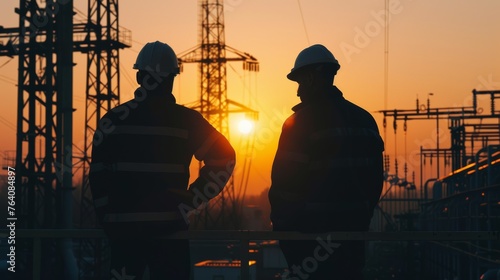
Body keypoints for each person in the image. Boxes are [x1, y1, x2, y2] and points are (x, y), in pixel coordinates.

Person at [89, 41, 236, 280]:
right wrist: (192, 198)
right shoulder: (186, 121)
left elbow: (98, 177)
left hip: (125, 237)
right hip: (171, 234)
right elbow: (225, 158)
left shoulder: (113, 121)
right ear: (172, 79)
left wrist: (109, 218)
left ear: (139, 77)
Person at [268, 44, 384, 280]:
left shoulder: (300, 123)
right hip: (352, 239)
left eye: (299, 82)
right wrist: (360, 219)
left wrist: (287, 237)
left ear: (310, 78)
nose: (298, 92)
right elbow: (374, 182)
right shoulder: (365, 120)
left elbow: (283, 187)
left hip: (310, 242)